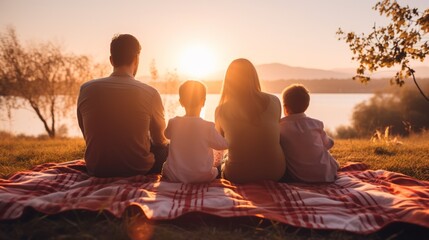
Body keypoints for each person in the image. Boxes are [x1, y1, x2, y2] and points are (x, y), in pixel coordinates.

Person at [77, 34, 168, 177]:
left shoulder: (86, 89)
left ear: (111, 60)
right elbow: (160, 140)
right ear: (137, 59)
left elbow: (87, 134)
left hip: (97, 169)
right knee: (169, 148)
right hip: (138, 169)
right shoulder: (150, 93)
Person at [215, 58, 286, 183]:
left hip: (238, 176)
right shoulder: (275, 101)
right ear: (254, 77)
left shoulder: (221, 110)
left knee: (224, 159)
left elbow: (218, 146)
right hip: (275, 172)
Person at [162, 80, 228, 183]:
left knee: (166, 163)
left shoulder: (173, 122)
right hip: (202, 177)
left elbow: (166, 135)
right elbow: (223, 145)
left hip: (174, 176)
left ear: (181, 102)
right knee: (218, 167)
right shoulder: (208, 127)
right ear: (204, 101)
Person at [279, 84, 339, 182]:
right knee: (326, 153)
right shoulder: (316, 124)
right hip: (325, 176)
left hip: (299, 177)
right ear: (306, 106)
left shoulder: (280, 127)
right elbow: (328, 144)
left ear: (286, 108)